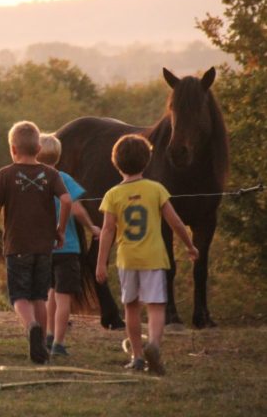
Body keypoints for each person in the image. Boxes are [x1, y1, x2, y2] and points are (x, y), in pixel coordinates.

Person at [95, 134, 200, 375]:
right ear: (147, 161)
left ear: (116, 163)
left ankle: (138, 356)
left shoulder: (112, 195)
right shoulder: (156, 189)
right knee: (156, 306)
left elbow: (108, 231)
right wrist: (190, 245)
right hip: (153, 257)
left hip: (127, 259)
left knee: (131, 307)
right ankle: (153, 344)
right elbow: (175, 222)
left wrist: (101, 263)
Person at [0, 121, 71, 364]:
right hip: (44, 247)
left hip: (17, 246)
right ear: (39, 148)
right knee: (39, 297)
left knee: (19, 296)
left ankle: (30, 325)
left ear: (13, 149)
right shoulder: (51, 174)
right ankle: (42, 344)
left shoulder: (5, 174)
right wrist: (60, 230)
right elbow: (66, 201)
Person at [37, 133, 101, 357]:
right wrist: (91, 227)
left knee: (49, 293)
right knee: (64, 298)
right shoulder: (63, 178)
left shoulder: (32, 180)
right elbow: (75, 208)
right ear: (58, 156)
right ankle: (59, 343)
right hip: (67, 248)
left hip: (43, 249)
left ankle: (48, 334)